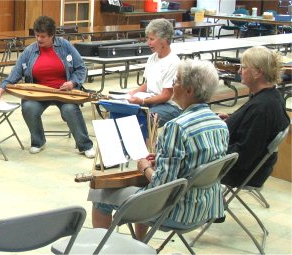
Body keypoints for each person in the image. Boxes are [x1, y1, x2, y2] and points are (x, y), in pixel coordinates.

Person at [90, 59, 228, 240]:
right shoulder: (219, 123)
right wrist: (162, 158)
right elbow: (196, 163)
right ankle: (139, 244)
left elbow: (161, 185)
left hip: (178, 212)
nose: (172, 84)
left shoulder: (177, 127)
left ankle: (100, 247)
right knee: (140, 184)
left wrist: (145, 167)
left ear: (189, 90)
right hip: (206, 206)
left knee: (99, 193)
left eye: (176, 80)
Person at [0, 15, 95, 158]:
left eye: (43, 36)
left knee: (71, 109)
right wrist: (0, 90)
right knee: (28, 108)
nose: (39, 39)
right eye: (37, 35)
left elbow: (81, 68)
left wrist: (72, 82)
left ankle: (85, 145)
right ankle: (38, 141)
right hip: (38, 93)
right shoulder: (30, 51)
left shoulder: (65, 46)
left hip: (63, 92)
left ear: (52, 35)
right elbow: (15, 74)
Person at [220, 46, 289, 188]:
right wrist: (235, 119)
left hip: (241, 173)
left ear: (258, 72)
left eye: (243, 67)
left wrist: (212, 149)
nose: (239, 71)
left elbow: (243, 155)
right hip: (253, 168)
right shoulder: (272, 96)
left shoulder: (262, 109)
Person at [127, 18, 182, 127]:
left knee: (144, 120)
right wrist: (132, 93)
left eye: (152, 39)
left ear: (164, 40)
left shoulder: (174, 62)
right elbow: (148, 84)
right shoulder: (152, 58)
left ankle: (148, 143)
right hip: (151, 100)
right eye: (148, 38)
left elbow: (166, 95)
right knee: (121, 113)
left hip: (169, 106)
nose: (148, 43)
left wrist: (142, 101)